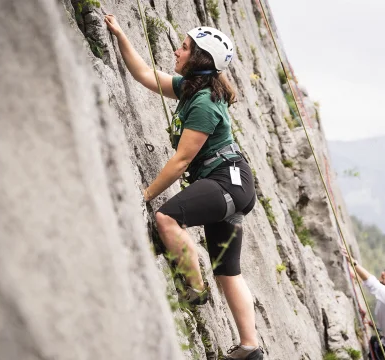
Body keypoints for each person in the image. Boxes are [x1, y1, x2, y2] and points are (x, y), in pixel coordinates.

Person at [105, 14, 263, 360]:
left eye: (185, 47)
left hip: (226, 181)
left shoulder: (205, 103)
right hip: (231, 185)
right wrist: (120, 36)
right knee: (227, 269)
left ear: (200, 59)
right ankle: (250, 348)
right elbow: (146, 75)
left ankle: (195, 288)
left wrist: (144, 196)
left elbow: (180, 161)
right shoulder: (192, 88)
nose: (177, 50)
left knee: (166, 218)